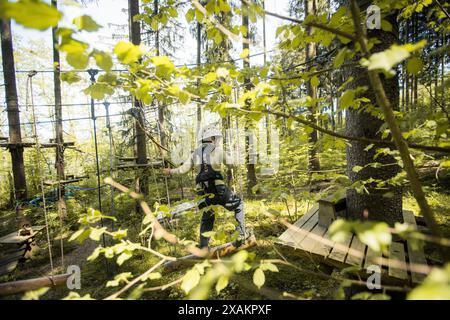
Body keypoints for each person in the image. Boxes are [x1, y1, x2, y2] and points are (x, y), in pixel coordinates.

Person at [162, 126, 251, 248]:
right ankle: (241, 234)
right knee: (239, 205)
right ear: (212, 138)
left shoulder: (194, 154)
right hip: (218, 190)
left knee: (207, 218)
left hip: (202, 192)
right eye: (216, 138)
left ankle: (203, 247)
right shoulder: (218, 150)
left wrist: (170, 171)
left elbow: (183, 170)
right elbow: (232, 165)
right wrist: (237, 154)